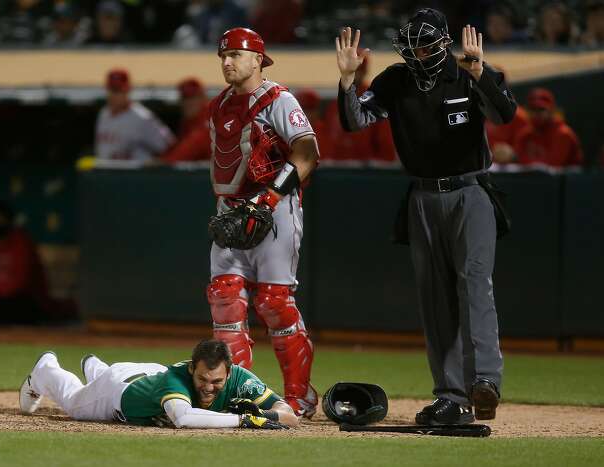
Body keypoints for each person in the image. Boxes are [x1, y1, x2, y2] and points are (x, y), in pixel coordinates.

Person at [336, 8, 517, 425]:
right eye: (412, 44)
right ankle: (451, 396)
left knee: (474, 285)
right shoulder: (396, 80)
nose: (418, 51)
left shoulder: (466, 73)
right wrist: (348, 80)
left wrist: (480, 72)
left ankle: (484, 382)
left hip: (470, 191)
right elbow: (355, 120)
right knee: (435, 300)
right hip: (422, 195)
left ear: (443, 43)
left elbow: (504, 114)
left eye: (426, 43)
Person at [207, 27, 320, 418]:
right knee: (225, 298)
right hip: (233, 209)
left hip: (276, 209)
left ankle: (298, 396)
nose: (227, 62)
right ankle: (236, 393)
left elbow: (307, 153)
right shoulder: (219, 104)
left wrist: (269, 197)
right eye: (223, 55)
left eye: (236, 55)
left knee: (274, 302)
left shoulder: (278, 100)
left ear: (258, 59)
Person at [19, 339, 297, 429]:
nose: (209, 387)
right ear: (191, 368)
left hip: (142, 375)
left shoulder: (240, 379)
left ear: (230, 371)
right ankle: (47, 369)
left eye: (217, 381)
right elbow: (183, 417)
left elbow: (290, 416)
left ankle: (96, 368)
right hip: (118, 391)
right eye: (202, 379)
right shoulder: (176, 378)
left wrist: (266, 415)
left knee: (109, 375)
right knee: (74, 404)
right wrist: (243, 420)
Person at [0, 202, 51, 324]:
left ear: (8, 220)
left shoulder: (22, 243)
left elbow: (22, 282)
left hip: (24, 301)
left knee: (9, 310)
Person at [94, 68, 175, 164]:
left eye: (119, 90)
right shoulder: (104, 113)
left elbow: (169, 146)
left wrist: (155, 165)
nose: (114, 95)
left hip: (132, 175)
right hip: (106, 174)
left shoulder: (142, 117)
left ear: (128, 90)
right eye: (112, 90)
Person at [513, 87, 583, 170]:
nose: (536, 114)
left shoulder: (563, 133)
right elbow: (517, 159)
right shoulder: (525, 134)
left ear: (551, 110)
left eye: (541, 110)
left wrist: (519, 159)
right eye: (533, 109)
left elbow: (553, 165)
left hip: (567, 181)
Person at [160, 78, 211, 163]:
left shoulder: (209, 120)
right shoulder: (189, 121)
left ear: (203, 98)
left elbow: (177, 157)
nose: (188, 103)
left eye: (193, 98)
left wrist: (160, 162)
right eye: (185, 98)